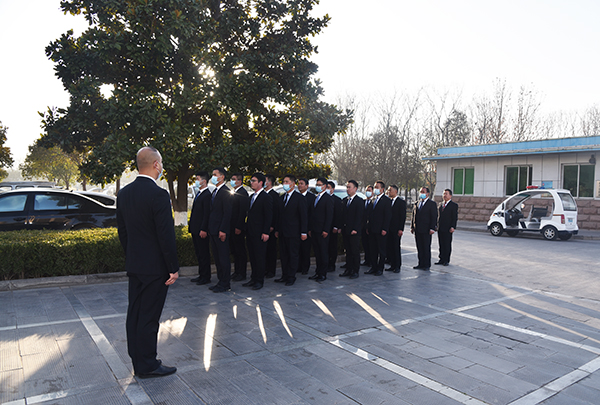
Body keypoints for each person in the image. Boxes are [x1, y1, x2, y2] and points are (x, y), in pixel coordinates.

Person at [117, 146, 179, 378]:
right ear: (156, 164)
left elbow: (123, 233)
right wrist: (172, 267)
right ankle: (148, 365)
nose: (161, 167)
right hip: (155, 269)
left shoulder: (124, 193)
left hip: (135, 265)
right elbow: (165, 235)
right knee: (149, 317)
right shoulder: (158, 194)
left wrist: (133, 255)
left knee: (135, 314)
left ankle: (138, 360)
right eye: (161, 163)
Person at [276, 174, 308, 286]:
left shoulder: (299, 198)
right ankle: (284, 275)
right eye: (283, 182)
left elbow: (303, 216)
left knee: (292, 254)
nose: (284, 184)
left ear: (293, 184)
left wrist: (303, 232)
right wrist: (277, 229)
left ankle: (291, 276)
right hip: (283, 232)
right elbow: (279, 216)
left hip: (294, 232)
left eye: (286, 182)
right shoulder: (282, 198)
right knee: (284, 255)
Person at [242, 173, 272, 290]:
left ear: (260, 182)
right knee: (253, 257)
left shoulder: (266, 197)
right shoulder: (252, 197)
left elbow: (268, 216)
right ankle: (253, 278)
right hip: (251, 232)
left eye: (254, 180)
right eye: (251, 180)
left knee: (259, 257)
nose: (251, 183)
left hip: (260, 233)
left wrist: (265, 232)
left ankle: (259, 280)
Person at [208, 167, 232, 292]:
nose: (213, 177)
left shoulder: (225, 192)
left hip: (220, 231)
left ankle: (225, 283)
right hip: (213, 230)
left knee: (223, 258)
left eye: (215, 174)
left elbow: (227, 213)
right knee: (217, 258)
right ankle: (220, 281)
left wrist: (223, 230)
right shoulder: (215, 191)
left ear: (222, 177)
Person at [189, 171, 212, 285]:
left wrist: (204, 229)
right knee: (199, 253)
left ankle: (206, 276)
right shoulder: (199, 193)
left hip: (201, 230)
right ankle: (201, 274)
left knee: (204, 253)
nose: (196, 181)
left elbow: (206, 214)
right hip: (195, 229)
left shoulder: (207, 195)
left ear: (204, 181)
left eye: (198, 179)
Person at [309, 177, 333, 282]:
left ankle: (323, 273)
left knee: (323, 252)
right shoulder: (316, 197)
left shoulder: (328, 199)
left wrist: (326, 230)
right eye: (317, 185)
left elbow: (329, 216)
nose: (317, 187)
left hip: (322, 230)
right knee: (317, 252)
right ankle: (317, 272)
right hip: (314, 230)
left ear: (324, 186)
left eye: (319, 185)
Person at [366, 181, 392, 276]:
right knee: (373, 249)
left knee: (381, 250)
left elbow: (387, 216)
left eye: (377, 187)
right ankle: (373, 267)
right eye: (374, 187)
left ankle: (380, 268)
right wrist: (368, 227)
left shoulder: (386, 200)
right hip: (372, 229)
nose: (375, 189)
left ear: (382, 189)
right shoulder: (373, 200)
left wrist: (385, 228)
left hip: (381, 230)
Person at [340, 180, 363, 279]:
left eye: (349, 187)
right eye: (347, 187)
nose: (347, 189)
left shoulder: (359, 201)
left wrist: (355, 229)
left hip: (354, 231)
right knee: (347, 251)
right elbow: (343, 216)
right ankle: (348, 269)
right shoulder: (345, 200)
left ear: (355, 189)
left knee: (354, 251)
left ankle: (355, 270)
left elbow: (360, 217)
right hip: (346, 230)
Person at [411, 186, 438, 270]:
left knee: (426, 247)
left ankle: (426, 264)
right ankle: (420, 263)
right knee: (419, 247)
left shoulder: (432, 204)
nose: (421, 193)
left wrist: (432, 228)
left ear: (427, 194)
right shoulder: (417, 203)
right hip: (417, 229)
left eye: (423, 192)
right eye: (421, 192)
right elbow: (413, 216)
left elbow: (434, 217)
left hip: (426, 229)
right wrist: (412, 226)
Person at [230, 173, 249, 281]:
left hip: (238, 227)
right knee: (235, 251)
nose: (232, 181)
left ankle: (242, 273)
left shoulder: (243, 193)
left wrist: (239, 226)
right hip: (232, 226)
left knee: (240, 251)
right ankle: (237, 271)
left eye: (234, 179)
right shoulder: (235, 192)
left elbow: (242, 212)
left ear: (240, 181)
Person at [386, 185, 407, 273]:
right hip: (388, 228)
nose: (388, 192)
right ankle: (392, 264)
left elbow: (402, 217)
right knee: (389, 247)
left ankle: (397, 266)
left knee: (396, 247)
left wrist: (400, 229)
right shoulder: (388, 201)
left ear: (395, 191)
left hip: (396, 229)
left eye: (390, 190)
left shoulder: (401, 202)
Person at [264, 174, 282, 278]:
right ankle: (266, 269)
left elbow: (275, 213)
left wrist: (273, 226)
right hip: (264, 227)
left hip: (271, 228)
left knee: (271, 250)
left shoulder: (274, 195)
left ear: (269, 182)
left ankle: (271, 270)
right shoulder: (263, 194)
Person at [436, 188, 458, 266]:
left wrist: (453, 226)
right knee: (441, 244)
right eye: (444, 194)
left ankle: (446, 260)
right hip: (440, 227)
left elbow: (454, 217)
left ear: (450, 196)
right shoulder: (440, 204)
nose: (444, 195)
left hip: (448, 228)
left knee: (447, 244)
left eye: (446, 194)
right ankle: (441, 259)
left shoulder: (453, 205)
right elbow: (438, 216)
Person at [298, 178, 315, 275]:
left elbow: (312, 214)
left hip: (307, 228)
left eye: (302, 183)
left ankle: (305, 267)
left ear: (307, 186)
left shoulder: (311, 197)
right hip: (297, 227)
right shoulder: (296, 196)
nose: (299, 185)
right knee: (298, 249)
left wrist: (309, 228)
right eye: (299, 183)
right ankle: (298, 266)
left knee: (305, 249)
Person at [326, 181, 343, 272]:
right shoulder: (323, 198)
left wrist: (336, 226)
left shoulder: (337, 200)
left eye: (328, 187)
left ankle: (332, 264)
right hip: (324, 228)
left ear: (333, 189)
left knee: (332, 247)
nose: (327, 189)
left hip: (333, 228)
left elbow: (338, 215)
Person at [361, 185, 374, 267]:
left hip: (370, 227)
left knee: (371, 245)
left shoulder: (373, 202)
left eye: (369, 190)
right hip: (363, 227)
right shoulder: (363, 201)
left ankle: (371, 261)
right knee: (365, 244)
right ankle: (366, 260)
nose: (367, 192)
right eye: (366, 190)